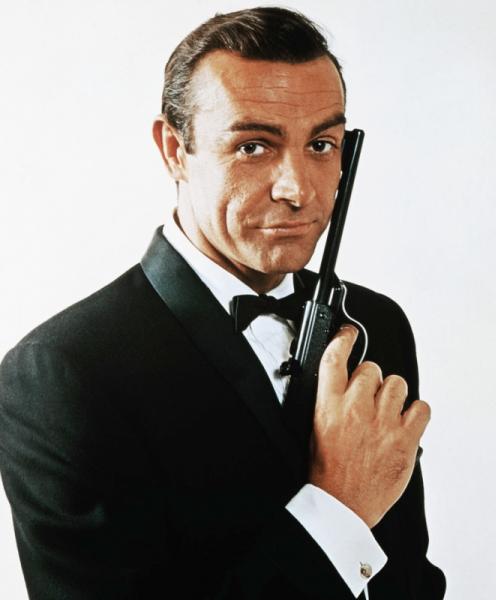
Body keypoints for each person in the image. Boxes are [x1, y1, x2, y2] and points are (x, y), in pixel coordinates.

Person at [0, 7, 445, 599]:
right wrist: (338, 510)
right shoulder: (59, 375)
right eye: (253, 147)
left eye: (321, 144)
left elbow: (408, 583)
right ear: (173, 149)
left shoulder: (376, 325)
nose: (298, 189)